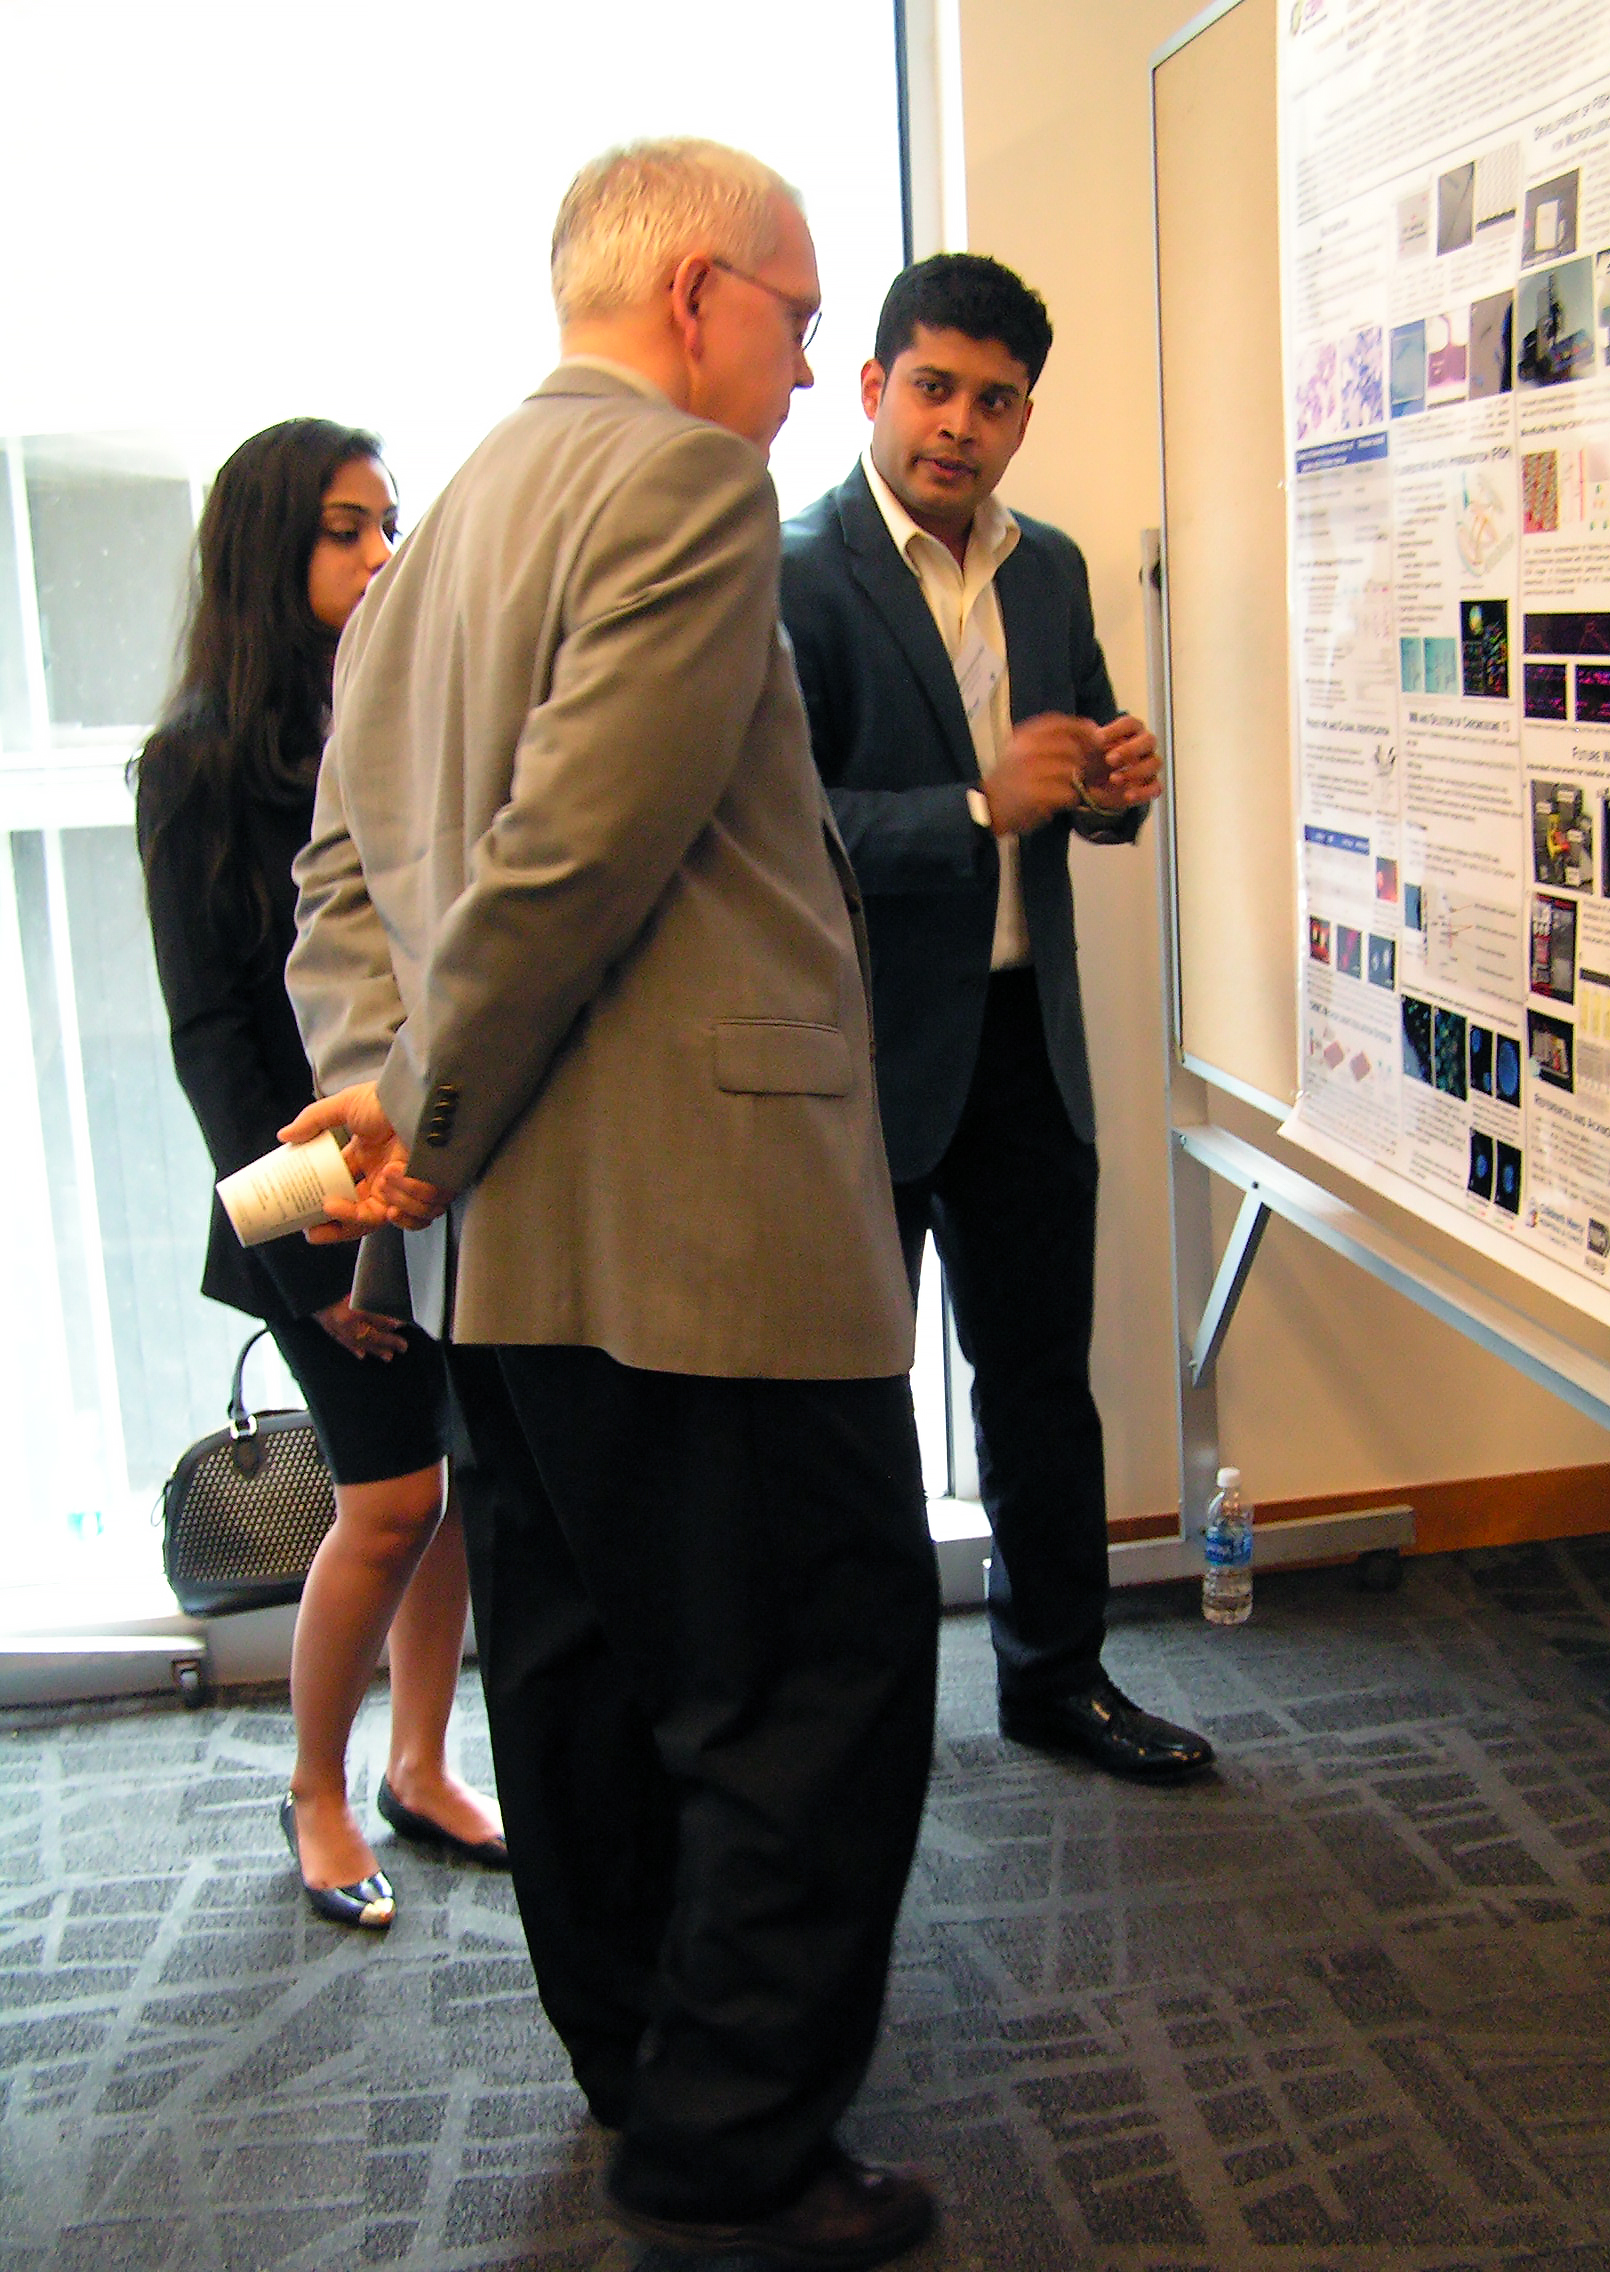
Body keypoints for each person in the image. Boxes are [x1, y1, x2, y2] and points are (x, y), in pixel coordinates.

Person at [280, 143, 940, 2270]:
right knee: (806, 1689)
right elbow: (573, 859)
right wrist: (436, 1115)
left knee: (577, 1679)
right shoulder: (684, 487)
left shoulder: (436, 530)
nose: (810, 356)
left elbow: (345, 893)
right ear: (690, 296)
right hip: (702, 1235)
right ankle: (731, 2147)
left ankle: (638, 2051)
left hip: (507, 1264)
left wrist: (389, 1101)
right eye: (798, 308)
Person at [780, 254, 1214, 1784]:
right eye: (934, 387)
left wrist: (1110, 790)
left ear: (1027, 414)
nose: (960, 424)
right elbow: (780, 828)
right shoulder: (793, 572)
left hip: (1033, 1045)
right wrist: (978, 805)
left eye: (996, 399)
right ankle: (860, 1710)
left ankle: (1058, 1681)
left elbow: (1070, 779)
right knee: (848, 1412)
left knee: (1041, 1390)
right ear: (872, 388)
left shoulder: (1050, 567)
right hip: (864, 1059)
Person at [134, 420, 505, 1933]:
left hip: (428, 1182)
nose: (381, 559)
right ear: (269, 551)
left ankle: (420, 1763)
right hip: (304, 1213)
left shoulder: (400, 728)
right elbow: (213, 1045)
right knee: (387, 1498)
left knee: (456, 1495)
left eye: (390, 526)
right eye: (348, 531)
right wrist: (314, 1257)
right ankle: (321, 1790)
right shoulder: (196, 762)